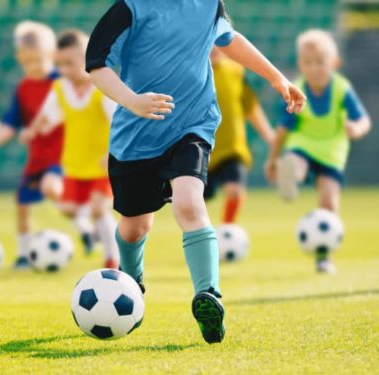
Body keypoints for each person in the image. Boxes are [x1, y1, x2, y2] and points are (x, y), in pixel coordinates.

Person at [86, 0, 306, 343]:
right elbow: (96, 64)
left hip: (192, 126)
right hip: (135, 137)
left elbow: (230, 39)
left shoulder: (209, 4)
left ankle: (209, 296)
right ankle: (130, 283)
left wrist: (278, 78)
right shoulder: (129, 8)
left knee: (189, 204)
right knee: (134, 227)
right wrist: (132, 101)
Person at [265, 29, 371, 274]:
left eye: (319, 62)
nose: (314, 68)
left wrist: (356, 129)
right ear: (300, 65)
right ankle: (291, 178)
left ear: (334, 63)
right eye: (308, 63)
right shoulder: (296, 89)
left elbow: (364, 120)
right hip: (303, 144)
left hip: (333, 151)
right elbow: (282, 130)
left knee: (329, 201)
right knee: (295, 162)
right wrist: (273, 160)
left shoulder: (342, 89)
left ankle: (324, 255)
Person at [0, 21, 71, 269]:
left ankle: (88, 230)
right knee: (22, 204)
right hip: (37, 158)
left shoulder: (64, 82)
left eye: (38, 60)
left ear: (52, 56)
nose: (33, 67)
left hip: (66, 156)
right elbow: (9, 126)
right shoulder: (23, 88)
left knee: (53, 189)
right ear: (19, 59)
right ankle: (24, 255)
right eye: (27, 62)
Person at [27, 30, 120, 269]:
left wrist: (110, 153)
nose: (65, 70)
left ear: (86, 59)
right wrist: (34, 128)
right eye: (60, 64)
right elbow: (49, 116)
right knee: (68, 208)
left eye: (70, 63)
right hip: (74, 163)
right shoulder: (60, 88)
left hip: (101, 163)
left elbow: (117, 123)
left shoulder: (102, 87)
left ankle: (113, 258)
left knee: (99, 208)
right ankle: (90, 233)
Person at [205, 48, 274, 224]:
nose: (214, 47)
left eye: (219, 42)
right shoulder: (192, 72)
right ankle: (201, 234)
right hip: (202, 149)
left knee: (235, 190)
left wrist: (270, 137)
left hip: (232, 149)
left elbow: (251, 108)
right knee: (196, 199)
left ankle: (227, 230)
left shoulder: (236, 71)